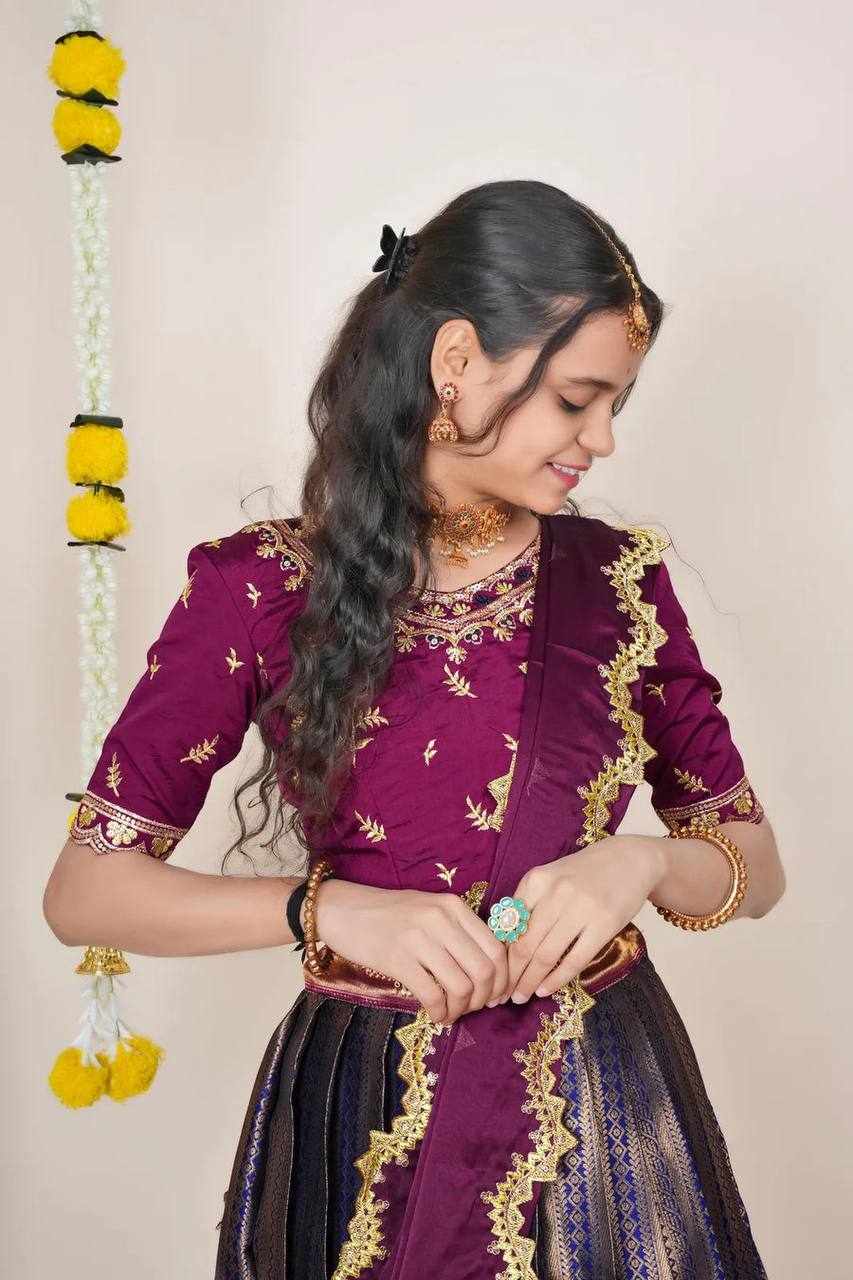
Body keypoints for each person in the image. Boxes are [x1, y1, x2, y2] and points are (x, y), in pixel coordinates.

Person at [43, 179, 784, 1280]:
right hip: (361, 1107)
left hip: (599, 1115)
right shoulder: (259, 587)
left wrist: (639, 861)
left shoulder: (617, 583)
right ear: (457, 363)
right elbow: (86, 892)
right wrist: (324, 908)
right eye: (576, 400)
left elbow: (754, 865)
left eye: (614, 405)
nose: (602, 440)